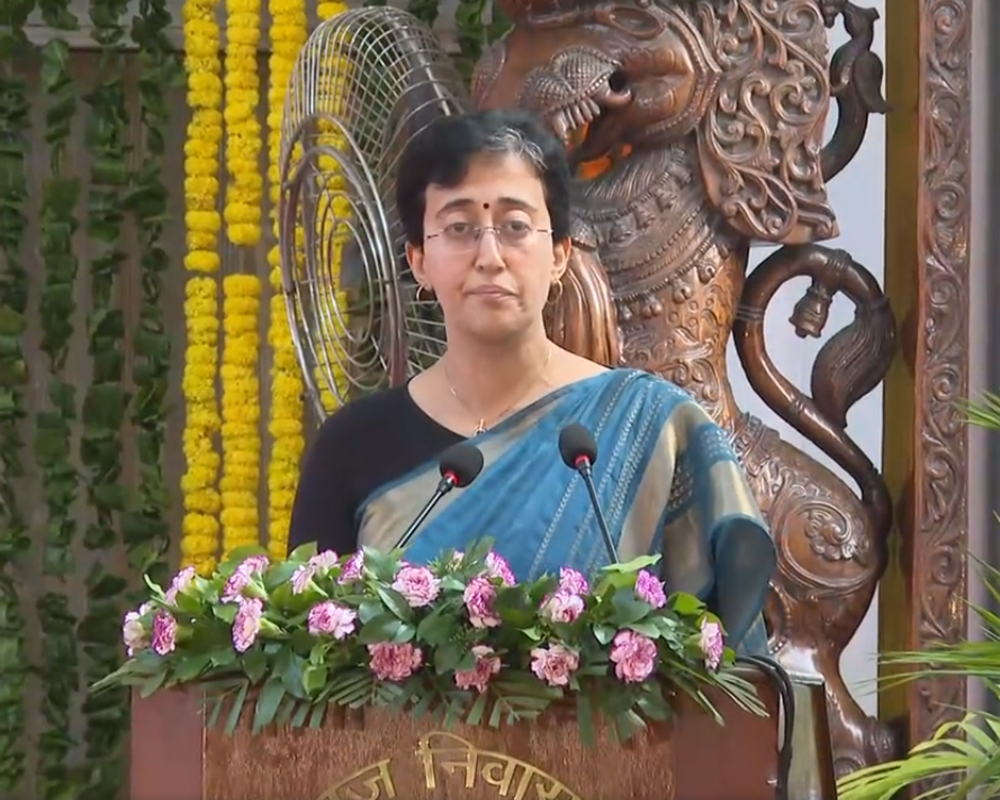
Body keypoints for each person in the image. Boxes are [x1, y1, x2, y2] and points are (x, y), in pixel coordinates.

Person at [287, 109, 776, 654]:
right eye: (459, 229)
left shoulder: (652, 429)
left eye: (516, 227)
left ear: (560, 254)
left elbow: (725, 667)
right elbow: (310, 667)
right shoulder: (352, 448)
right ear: (419, 261)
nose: (489, 257)